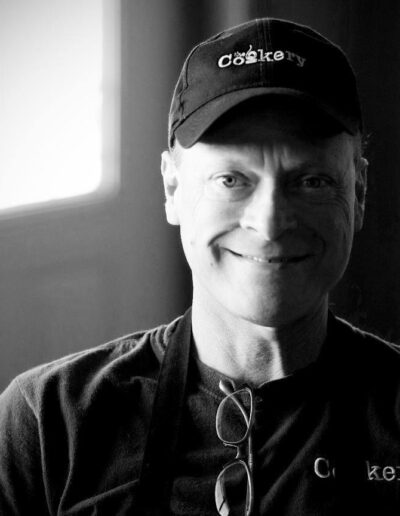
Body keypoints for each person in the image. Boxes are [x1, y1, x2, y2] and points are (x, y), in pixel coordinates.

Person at [0, 17, 399, 516]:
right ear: (172, 188)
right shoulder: (48, 423)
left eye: (312, 181)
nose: (270, 223)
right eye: (231, 180)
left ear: (359, 191)